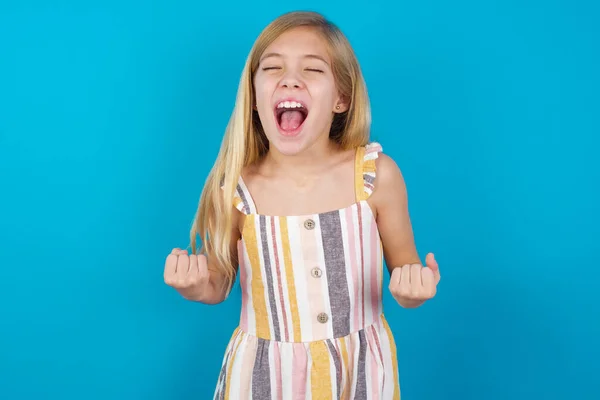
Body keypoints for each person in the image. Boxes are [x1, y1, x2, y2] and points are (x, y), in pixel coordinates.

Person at [163, 10, 441, 399]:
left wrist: (414, 289)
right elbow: (218, 282)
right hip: (263, 376)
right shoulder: (237, 189)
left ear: (341, 98)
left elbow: (406, 270)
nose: (289, 79)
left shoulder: (377, 177)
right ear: (255, 97)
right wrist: (195, 286)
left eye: (312, 70)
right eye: (272, 68)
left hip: (358, 372)